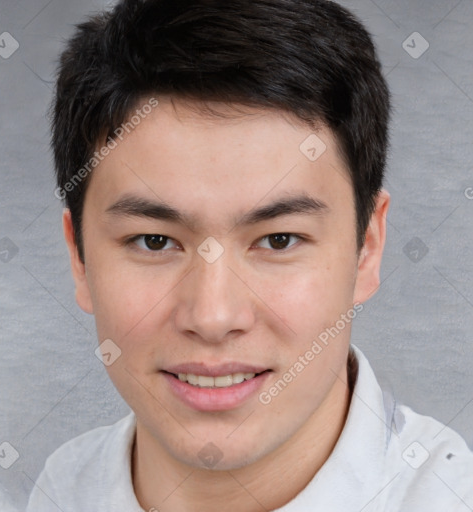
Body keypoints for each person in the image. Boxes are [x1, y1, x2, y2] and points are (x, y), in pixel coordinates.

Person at [26, 0, 473, 510]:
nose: (213, 317)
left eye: (278, 240)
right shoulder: (61, 489)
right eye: (154, 241)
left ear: (366, 247)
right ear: (79, 257)